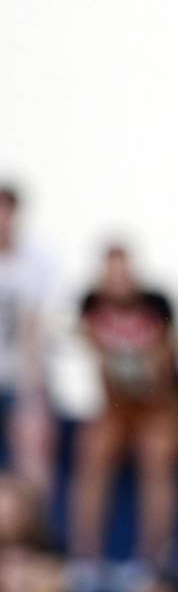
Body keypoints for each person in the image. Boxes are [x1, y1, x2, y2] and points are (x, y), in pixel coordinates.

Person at [70, 243, 178, 564]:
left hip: (162, 404)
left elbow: (162, 376)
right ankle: (86, 555)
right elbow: (101, 373)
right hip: (118, 407)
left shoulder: (157, 304)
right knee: (92, 448)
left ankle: (155, 555)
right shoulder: (90, 306)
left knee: (156, 452)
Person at [0, 184, 56, 501]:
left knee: (33, 449)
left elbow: (33, 330)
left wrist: (35, 391)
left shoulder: (33, 263)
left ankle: (37, 531)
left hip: (18, 376)